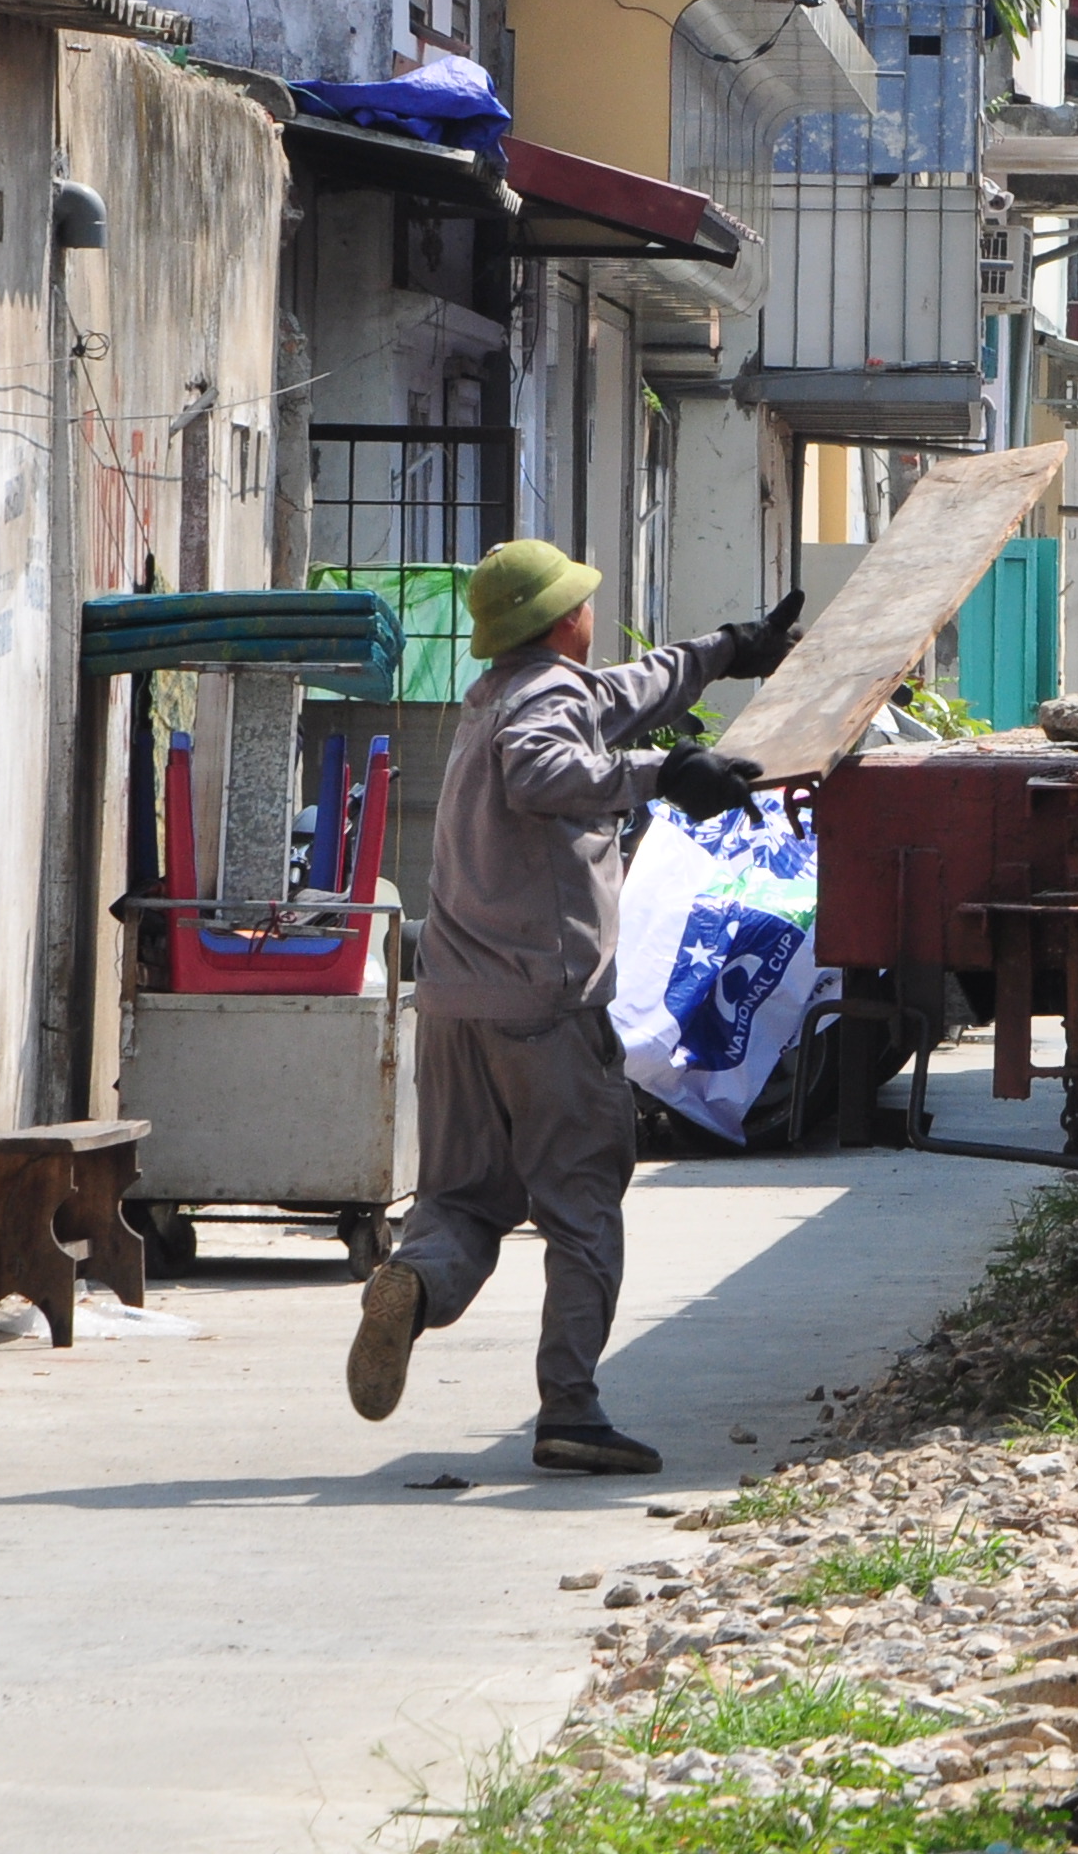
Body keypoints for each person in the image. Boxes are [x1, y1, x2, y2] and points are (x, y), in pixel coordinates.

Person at [346, 540, 797, 1473]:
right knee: (583, 1202)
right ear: (566, 620)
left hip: (455, 1003)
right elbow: (540, 771)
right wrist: (659, 778)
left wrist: (727, 647)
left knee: (461, 1199)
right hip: (544, 1008)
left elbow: (630, 691)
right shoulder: (545, 706)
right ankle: (571, 1410)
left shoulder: (497, 694)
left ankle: (413, 1285)